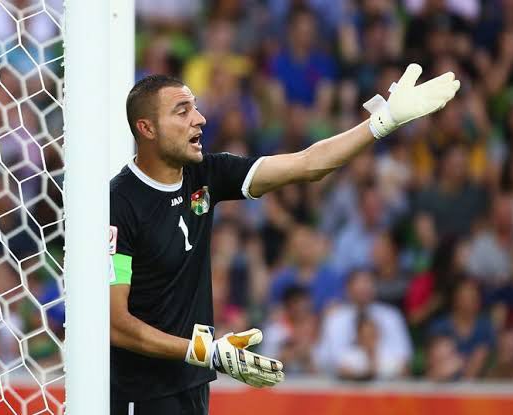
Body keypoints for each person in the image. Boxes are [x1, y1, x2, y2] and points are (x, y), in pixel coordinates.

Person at [110, 66, 459, 414]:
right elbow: (115, 324)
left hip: (192, 386)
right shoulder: (118, 205)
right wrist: (202, 350)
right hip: (139, 395)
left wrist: (382, 123)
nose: (199, 118)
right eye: (182, 111)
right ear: (147, 128)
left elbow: (310, 164)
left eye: (196, 107)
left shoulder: (206, 175)